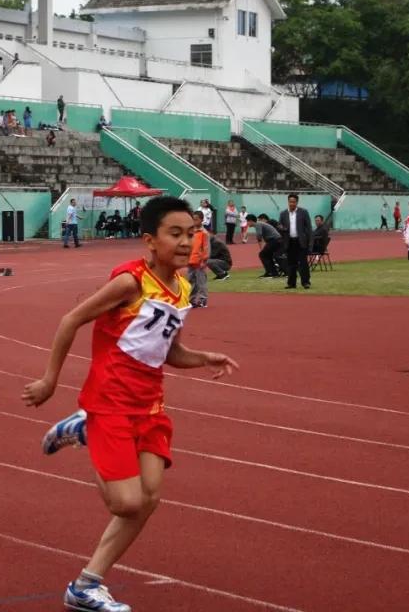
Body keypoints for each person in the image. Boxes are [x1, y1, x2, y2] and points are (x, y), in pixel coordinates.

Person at [20, 196, 238, 612]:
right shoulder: (130, 283)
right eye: (174, 233)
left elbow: (168, 351)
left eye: (190, 233)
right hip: (111, 400)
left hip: (150, 404)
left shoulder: (184, 288)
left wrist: (202, 357)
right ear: (149, 240)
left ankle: (86, 585)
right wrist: (50, 380)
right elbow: (70, 320)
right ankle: (84, 428)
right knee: (126, 503)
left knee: (149, 499)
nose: (184, 241)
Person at [279, 194, 311, 289]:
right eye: (290, 201)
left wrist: (309, 242)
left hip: (300, 241)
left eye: (294, 202)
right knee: (291, 264)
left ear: (297, 202)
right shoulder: (283, 213)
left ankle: (305, 282)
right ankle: (291, 283)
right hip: (289, 242)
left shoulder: (303, 212)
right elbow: (280, 226)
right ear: (288, 202)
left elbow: (308, 228)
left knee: (303, 263)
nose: (292, 203)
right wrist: (281, 228)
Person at [188, 211, 209, 307]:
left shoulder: (204, 233)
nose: (194, 221)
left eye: (196, 219)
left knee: (201, 281)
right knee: (191, 281)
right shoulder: (191, 232)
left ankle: (202, 299)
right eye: (193, 219)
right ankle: (191, 299)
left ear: (201, 220)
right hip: (191, 259)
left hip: (199, 260)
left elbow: (206, 247)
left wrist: (204, 260)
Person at [255, 214, 283, 278]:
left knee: (264, 254)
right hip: (277, 241)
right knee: (268, 254)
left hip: (278, 240)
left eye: (260, 220)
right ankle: (273, 272)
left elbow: (280, 228)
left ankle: (272, 272)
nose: (258, 221)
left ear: (264, 219)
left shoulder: (271, 222)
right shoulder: (265, 225)